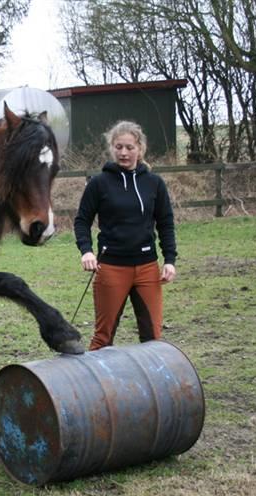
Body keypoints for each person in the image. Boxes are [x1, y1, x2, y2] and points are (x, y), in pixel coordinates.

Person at [74, 120, 177, 350]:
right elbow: (82, 220)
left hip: (147, 268)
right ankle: (94, 385)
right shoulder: (99, 184)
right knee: (103, 338)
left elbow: (166, 223)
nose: (124, 153)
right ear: (112, 148)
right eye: (118, 147)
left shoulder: (154, 183)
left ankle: (155, 384)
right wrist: (86, 251)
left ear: (140, 149)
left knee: (153, 338)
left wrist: (169, 260)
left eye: (129, 147)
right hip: (111, 268)